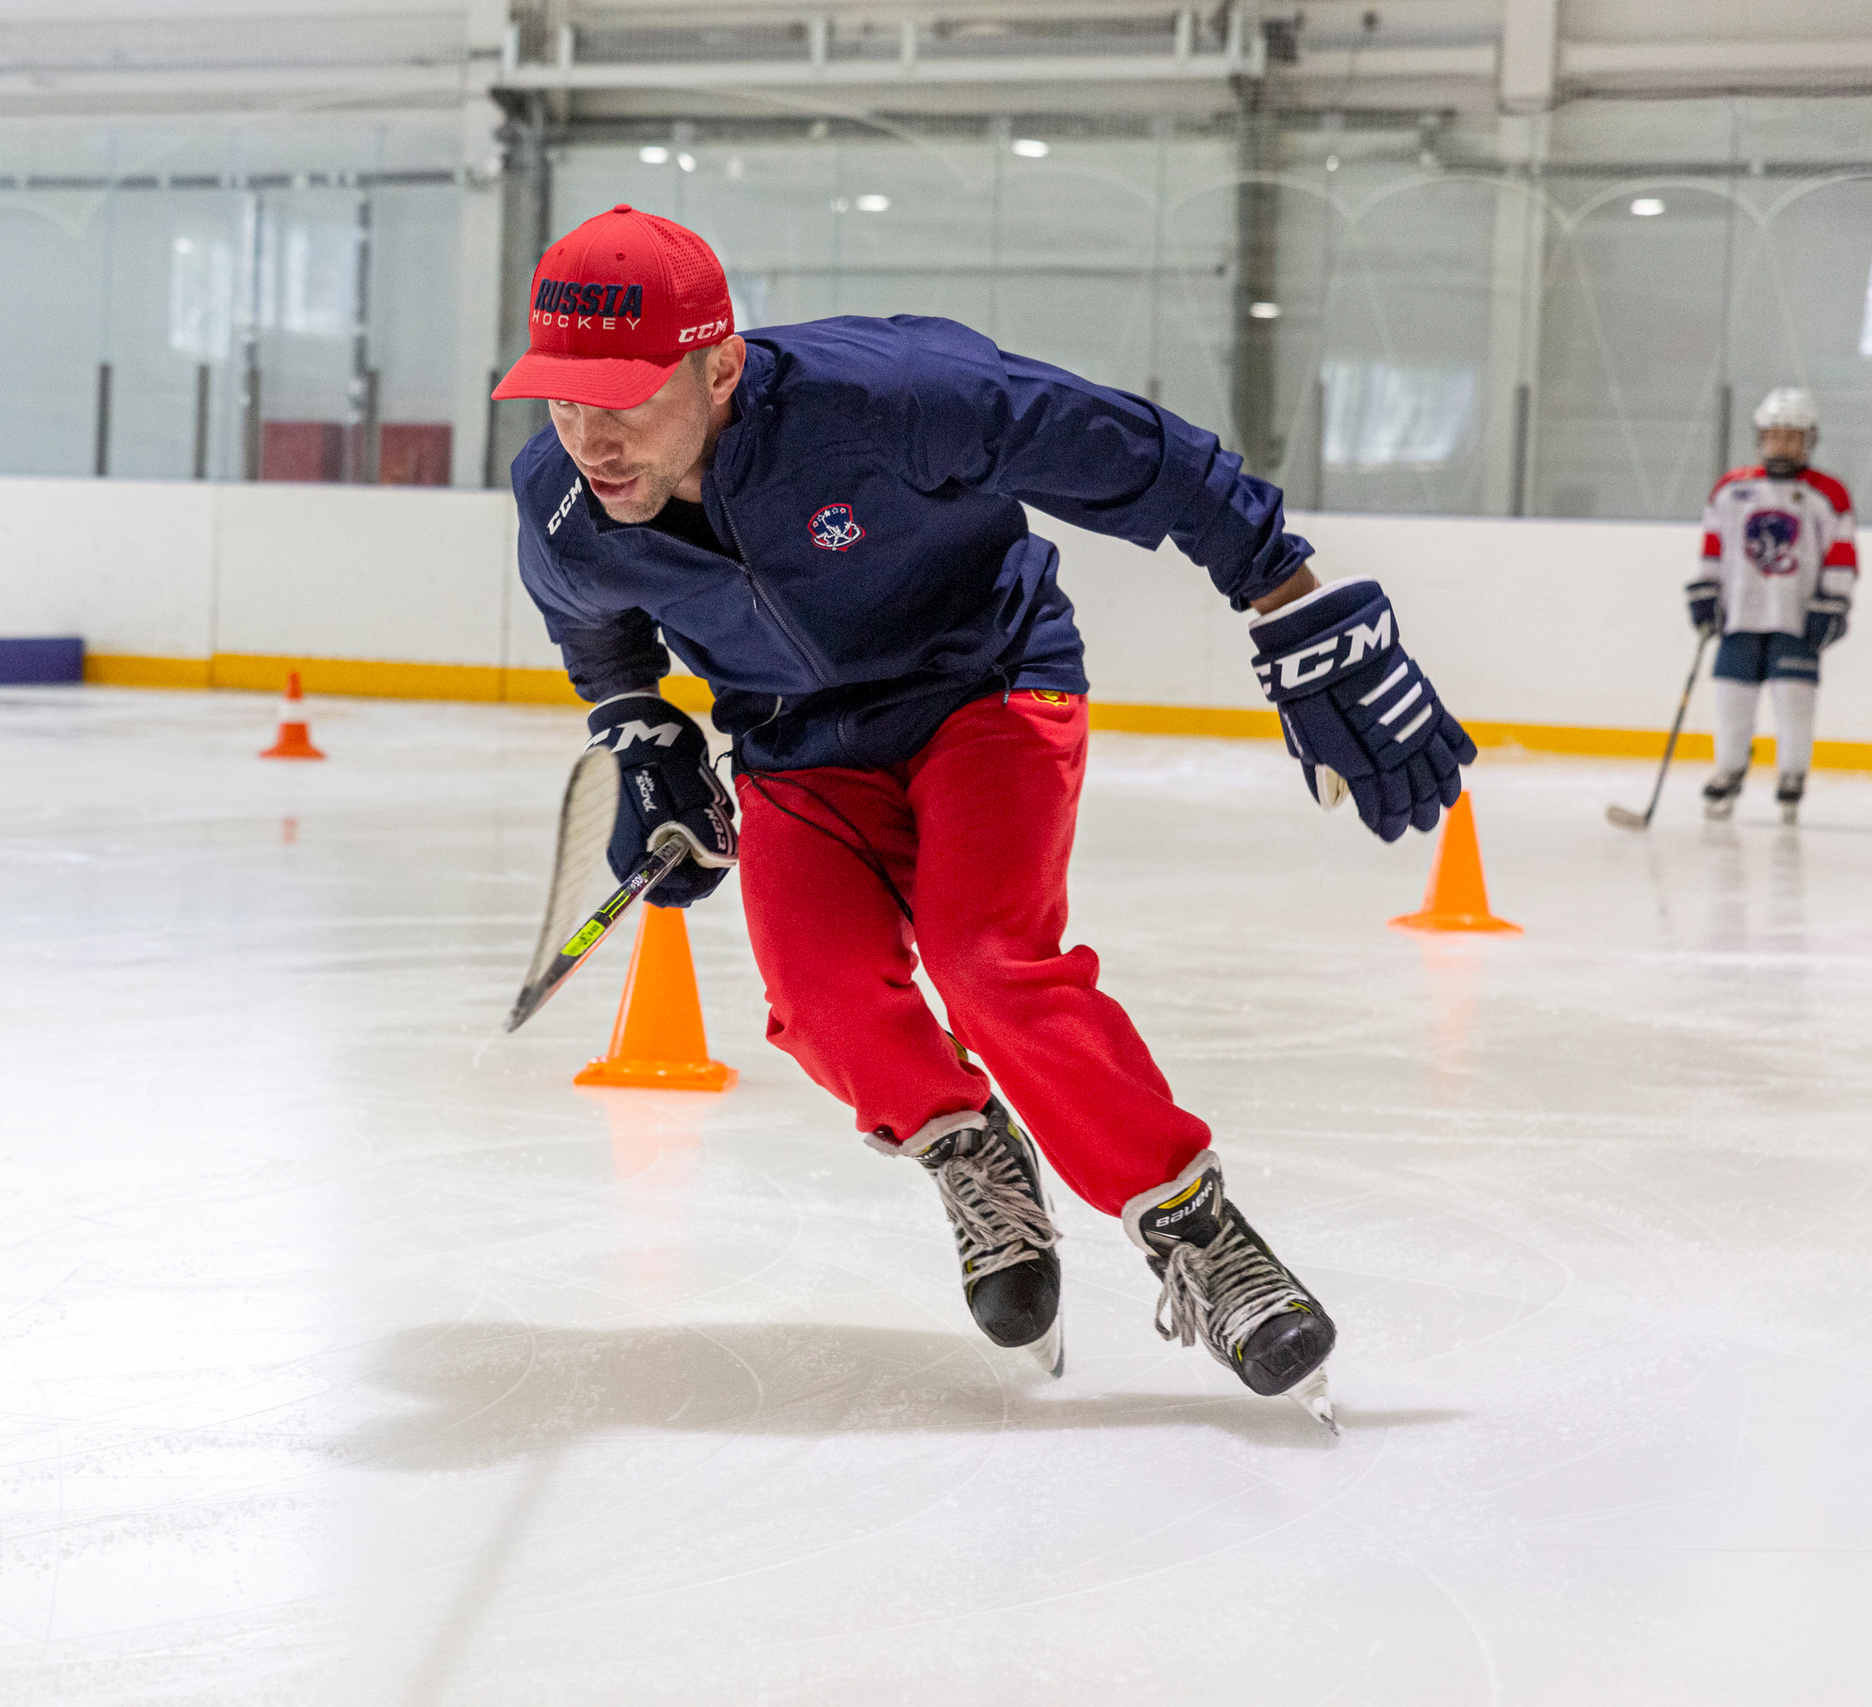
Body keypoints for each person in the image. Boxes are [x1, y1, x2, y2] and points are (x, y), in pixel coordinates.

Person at [495, 205, 1475, 1430]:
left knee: (989, 964)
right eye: (560, 398)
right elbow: (597, 631)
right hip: (798, 743)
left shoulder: (899, 397)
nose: (589, 434)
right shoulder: (560, 503)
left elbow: (1145, 456)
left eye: (624, 397)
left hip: (987, 686)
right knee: (821, 999)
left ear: (719, 363)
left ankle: (1193, 1231)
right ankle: (970, 1152)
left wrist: (1282, 593)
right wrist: (640, 726)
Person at [1690, 388, 1856, 825]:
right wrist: (1706, 592)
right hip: (1740, 613)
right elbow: (1714, 547)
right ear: (1760, 437)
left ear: (1809, 440)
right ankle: (1729, 770)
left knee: (1794, 698)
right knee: (1730, 697)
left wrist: (1834, 601)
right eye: (1774, 435)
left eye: (1792, 436)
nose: (1782, 444)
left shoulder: (1828, 494)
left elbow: (1840, 553)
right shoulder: (1731, 489)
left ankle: (1791, 776)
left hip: (1796, 617)